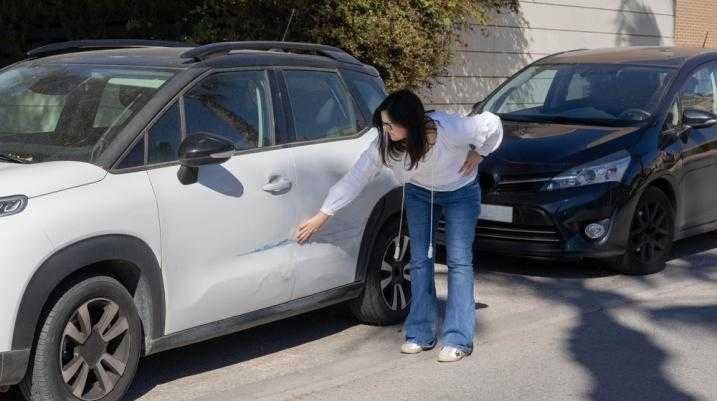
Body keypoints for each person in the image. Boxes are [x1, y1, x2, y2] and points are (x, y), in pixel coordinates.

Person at [295, 89, 503, 362]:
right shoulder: (384, 145)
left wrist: (482, 153)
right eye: (383, 124)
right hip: (419, 192)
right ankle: (419, 333)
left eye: (390, 124)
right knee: (419, 260)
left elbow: (493, 123)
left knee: (459, 261)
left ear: (411, 122)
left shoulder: (450, 129)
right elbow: (356, 178)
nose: (385, 129)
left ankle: (458, 339)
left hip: (460, 191)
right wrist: (324, 213)